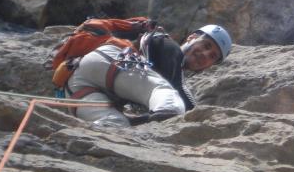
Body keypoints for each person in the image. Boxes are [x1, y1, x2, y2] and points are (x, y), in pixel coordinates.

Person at [65, 24, 232, 128]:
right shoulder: (169, 47)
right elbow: (178, 89)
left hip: (77, 85)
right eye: (206, 45)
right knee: (172, 100)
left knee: (116, 126)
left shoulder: (161, 56)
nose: (205, 54)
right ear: (192, 37)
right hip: (112, 61)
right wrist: (200, 117)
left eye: (212, 56)